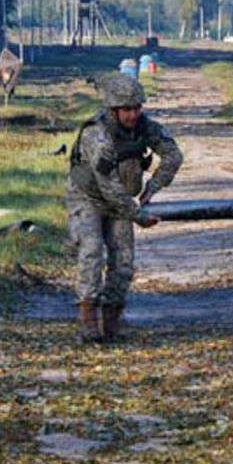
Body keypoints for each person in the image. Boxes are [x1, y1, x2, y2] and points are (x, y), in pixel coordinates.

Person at [67, 72, 183, 342]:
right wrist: (138, 215)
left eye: (136, 108)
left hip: (121, 202)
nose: (133, 115)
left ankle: (113, 320)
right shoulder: (96, 134)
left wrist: (152, 188)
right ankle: (88, 319)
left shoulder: (145, 127)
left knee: (123, 261)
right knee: (92, 251)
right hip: (88, 198)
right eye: (127, 110)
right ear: (113, 109)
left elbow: (173, 155)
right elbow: (107, 185)